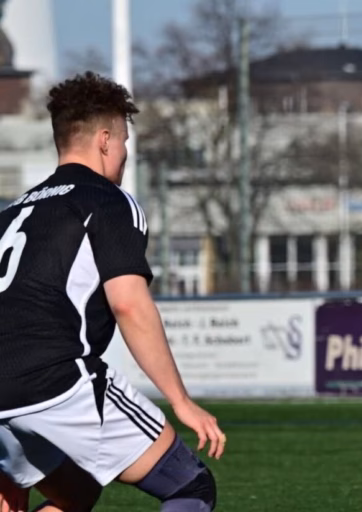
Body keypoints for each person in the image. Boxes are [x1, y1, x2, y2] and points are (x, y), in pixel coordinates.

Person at [0, 71, 224, 511]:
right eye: (123, 141)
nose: (124, 154)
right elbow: (129, 304)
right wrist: (180, 401)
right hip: (55, 382)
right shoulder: (106, 201)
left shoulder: (12, 212)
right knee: (190, 487)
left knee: (77, 493)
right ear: (105, 140)